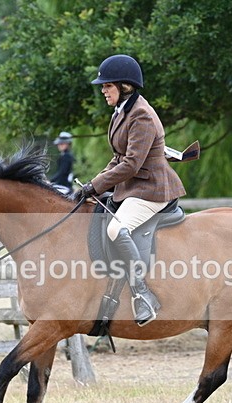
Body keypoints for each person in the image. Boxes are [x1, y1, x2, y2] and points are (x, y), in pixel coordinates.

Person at [74, 54, 186, 326]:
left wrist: (97, 185)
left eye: (107, 85)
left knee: (115, 228)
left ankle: (142, 293)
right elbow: (117, 158)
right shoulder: (122, 112)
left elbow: (132, 164)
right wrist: (93, 185)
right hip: (134, 187)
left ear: (125, 86)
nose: (102, 90)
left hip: (152, 190)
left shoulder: (142, 116)